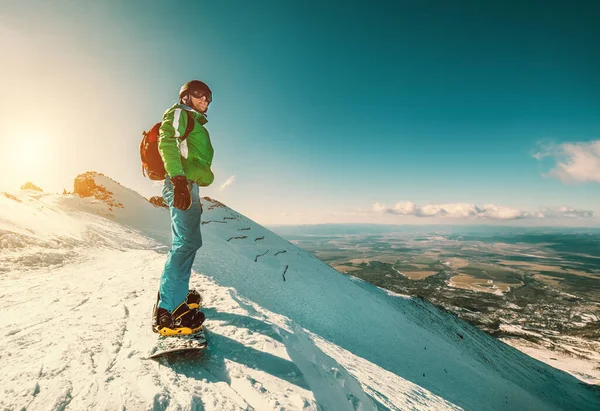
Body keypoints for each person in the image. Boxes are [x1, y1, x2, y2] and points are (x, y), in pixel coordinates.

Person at [152, 80, 215, 336]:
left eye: (209, 98)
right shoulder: (180, 113)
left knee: (188, 241)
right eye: (200, 95)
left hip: (188, 185)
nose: (205, 101)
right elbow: (167, 140)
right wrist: (178, 180)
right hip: (181, 183)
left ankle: (177, 295)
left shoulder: (194, 121)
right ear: (186, 96)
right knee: (186, 243)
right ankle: (169, 311)